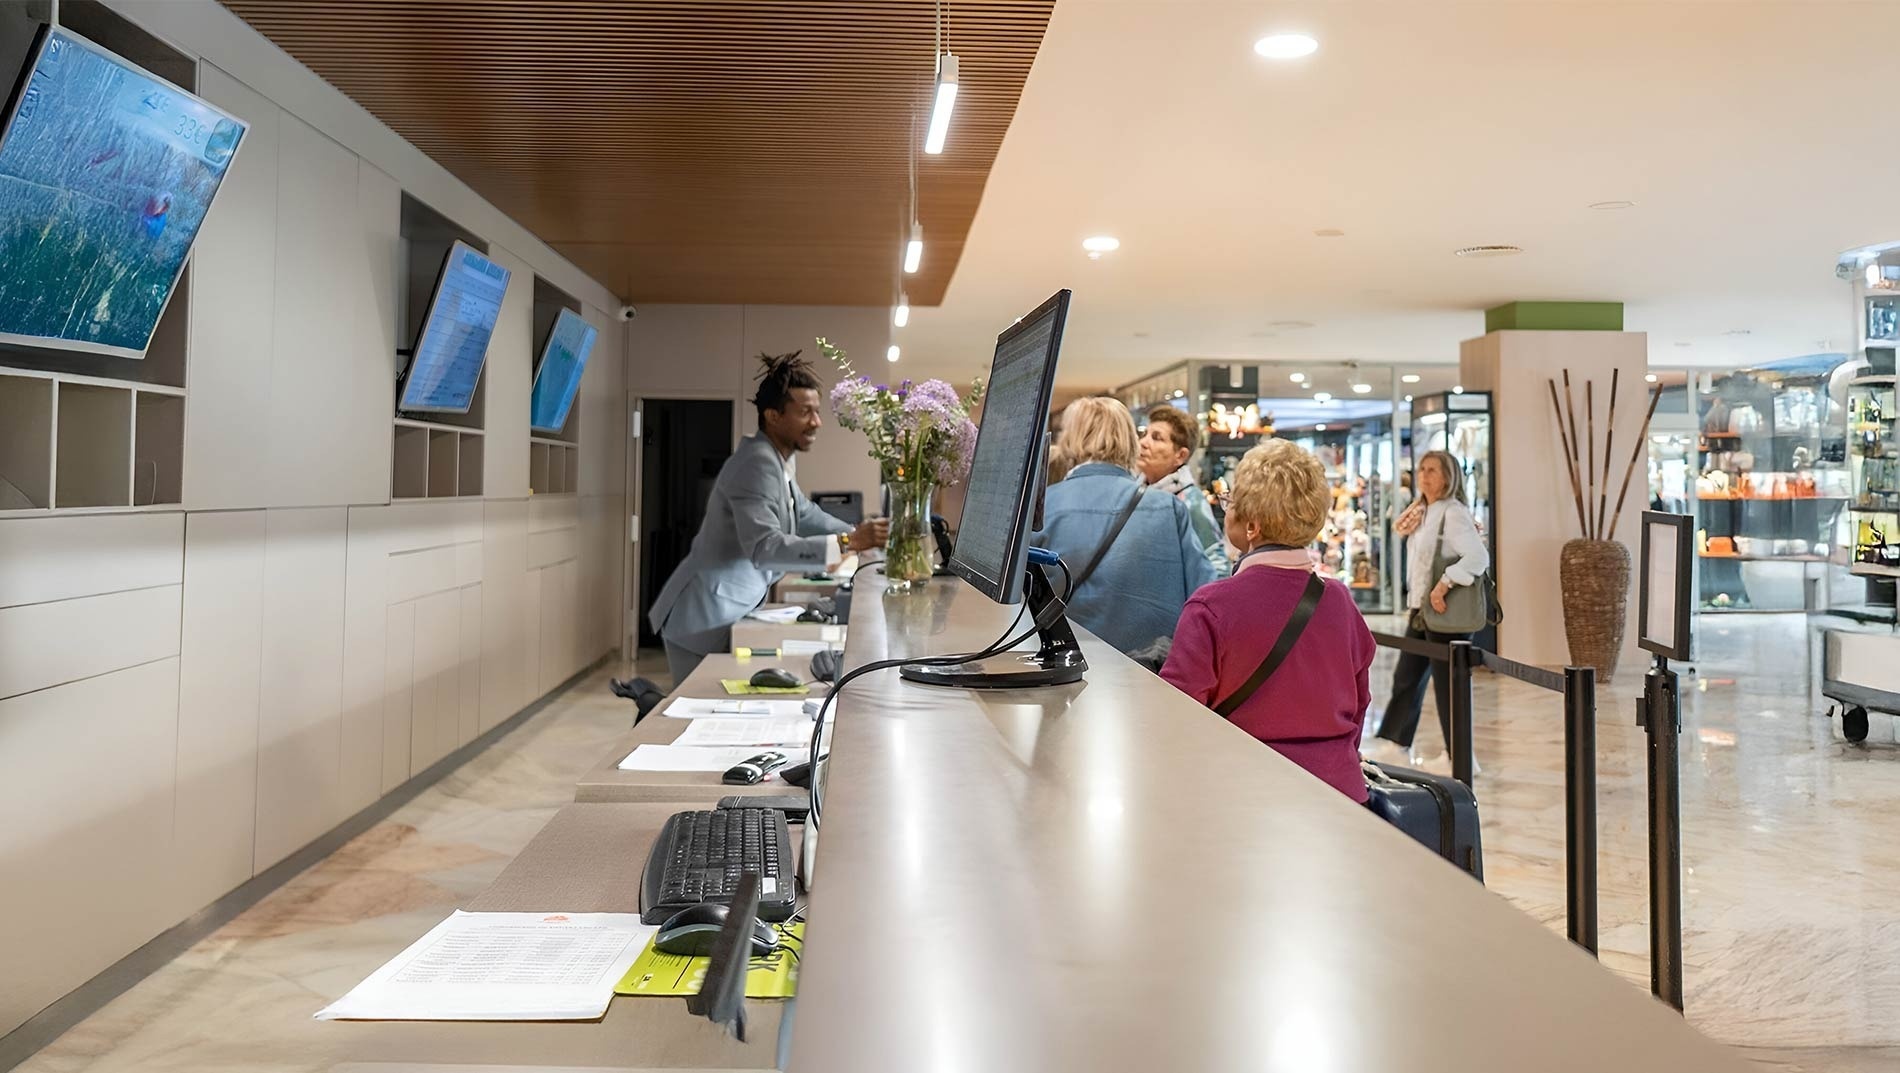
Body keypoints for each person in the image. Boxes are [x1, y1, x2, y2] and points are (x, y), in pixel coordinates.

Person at [647, 351, 888, 685]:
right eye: (805, 413)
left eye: (817, 412)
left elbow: (804, 512)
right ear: (773, 416)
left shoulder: (777, 460)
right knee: (693, 707)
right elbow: (765, 547)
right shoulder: (756, 464)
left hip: (728, 607)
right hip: (703, 614)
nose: (817, 422)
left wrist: (858, 535)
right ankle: (646, 702)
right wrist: (848, 542)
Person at [1160, 440, 1375, 801]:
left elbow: (1176, 717)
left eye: (1231, 503)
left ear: (1252, 526)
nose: (1226, 509)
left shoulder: (1212, 606)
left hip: (1243, 794)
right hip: (1339, 797)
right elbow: (1359, 703)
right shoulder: (1339, 601)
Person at [1033, 397, 1217, 655]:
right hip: (1152, 675)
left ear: (1070, 441)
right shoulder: (1169, 508)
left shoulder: (1043, 506)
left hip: (1065, 667)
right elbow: (1207, 597)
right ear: (1130, 441)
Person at [1363, 449, 1490, 769]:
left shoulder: (1453, 513)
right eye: (1421, 469)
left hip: (1444, 611)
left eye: (1433, 470)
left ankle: (1460, 758)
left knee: (1449, 687)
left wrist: (1445, 583)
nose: (1425, 475)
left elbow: (1477, 557)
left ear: (1448, 476)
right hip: (1422, 610)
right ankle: (1396, 743)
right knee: (1407, 677)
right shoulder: (1422, 511)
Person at [1138, 405, 1230, 575]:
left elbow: (1219, 568)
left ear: (1180, 455)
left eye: (1157, 438)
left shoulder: (1190, 502)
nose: (1143, 443)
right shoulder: (1134, 492)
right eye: (1145, 435)